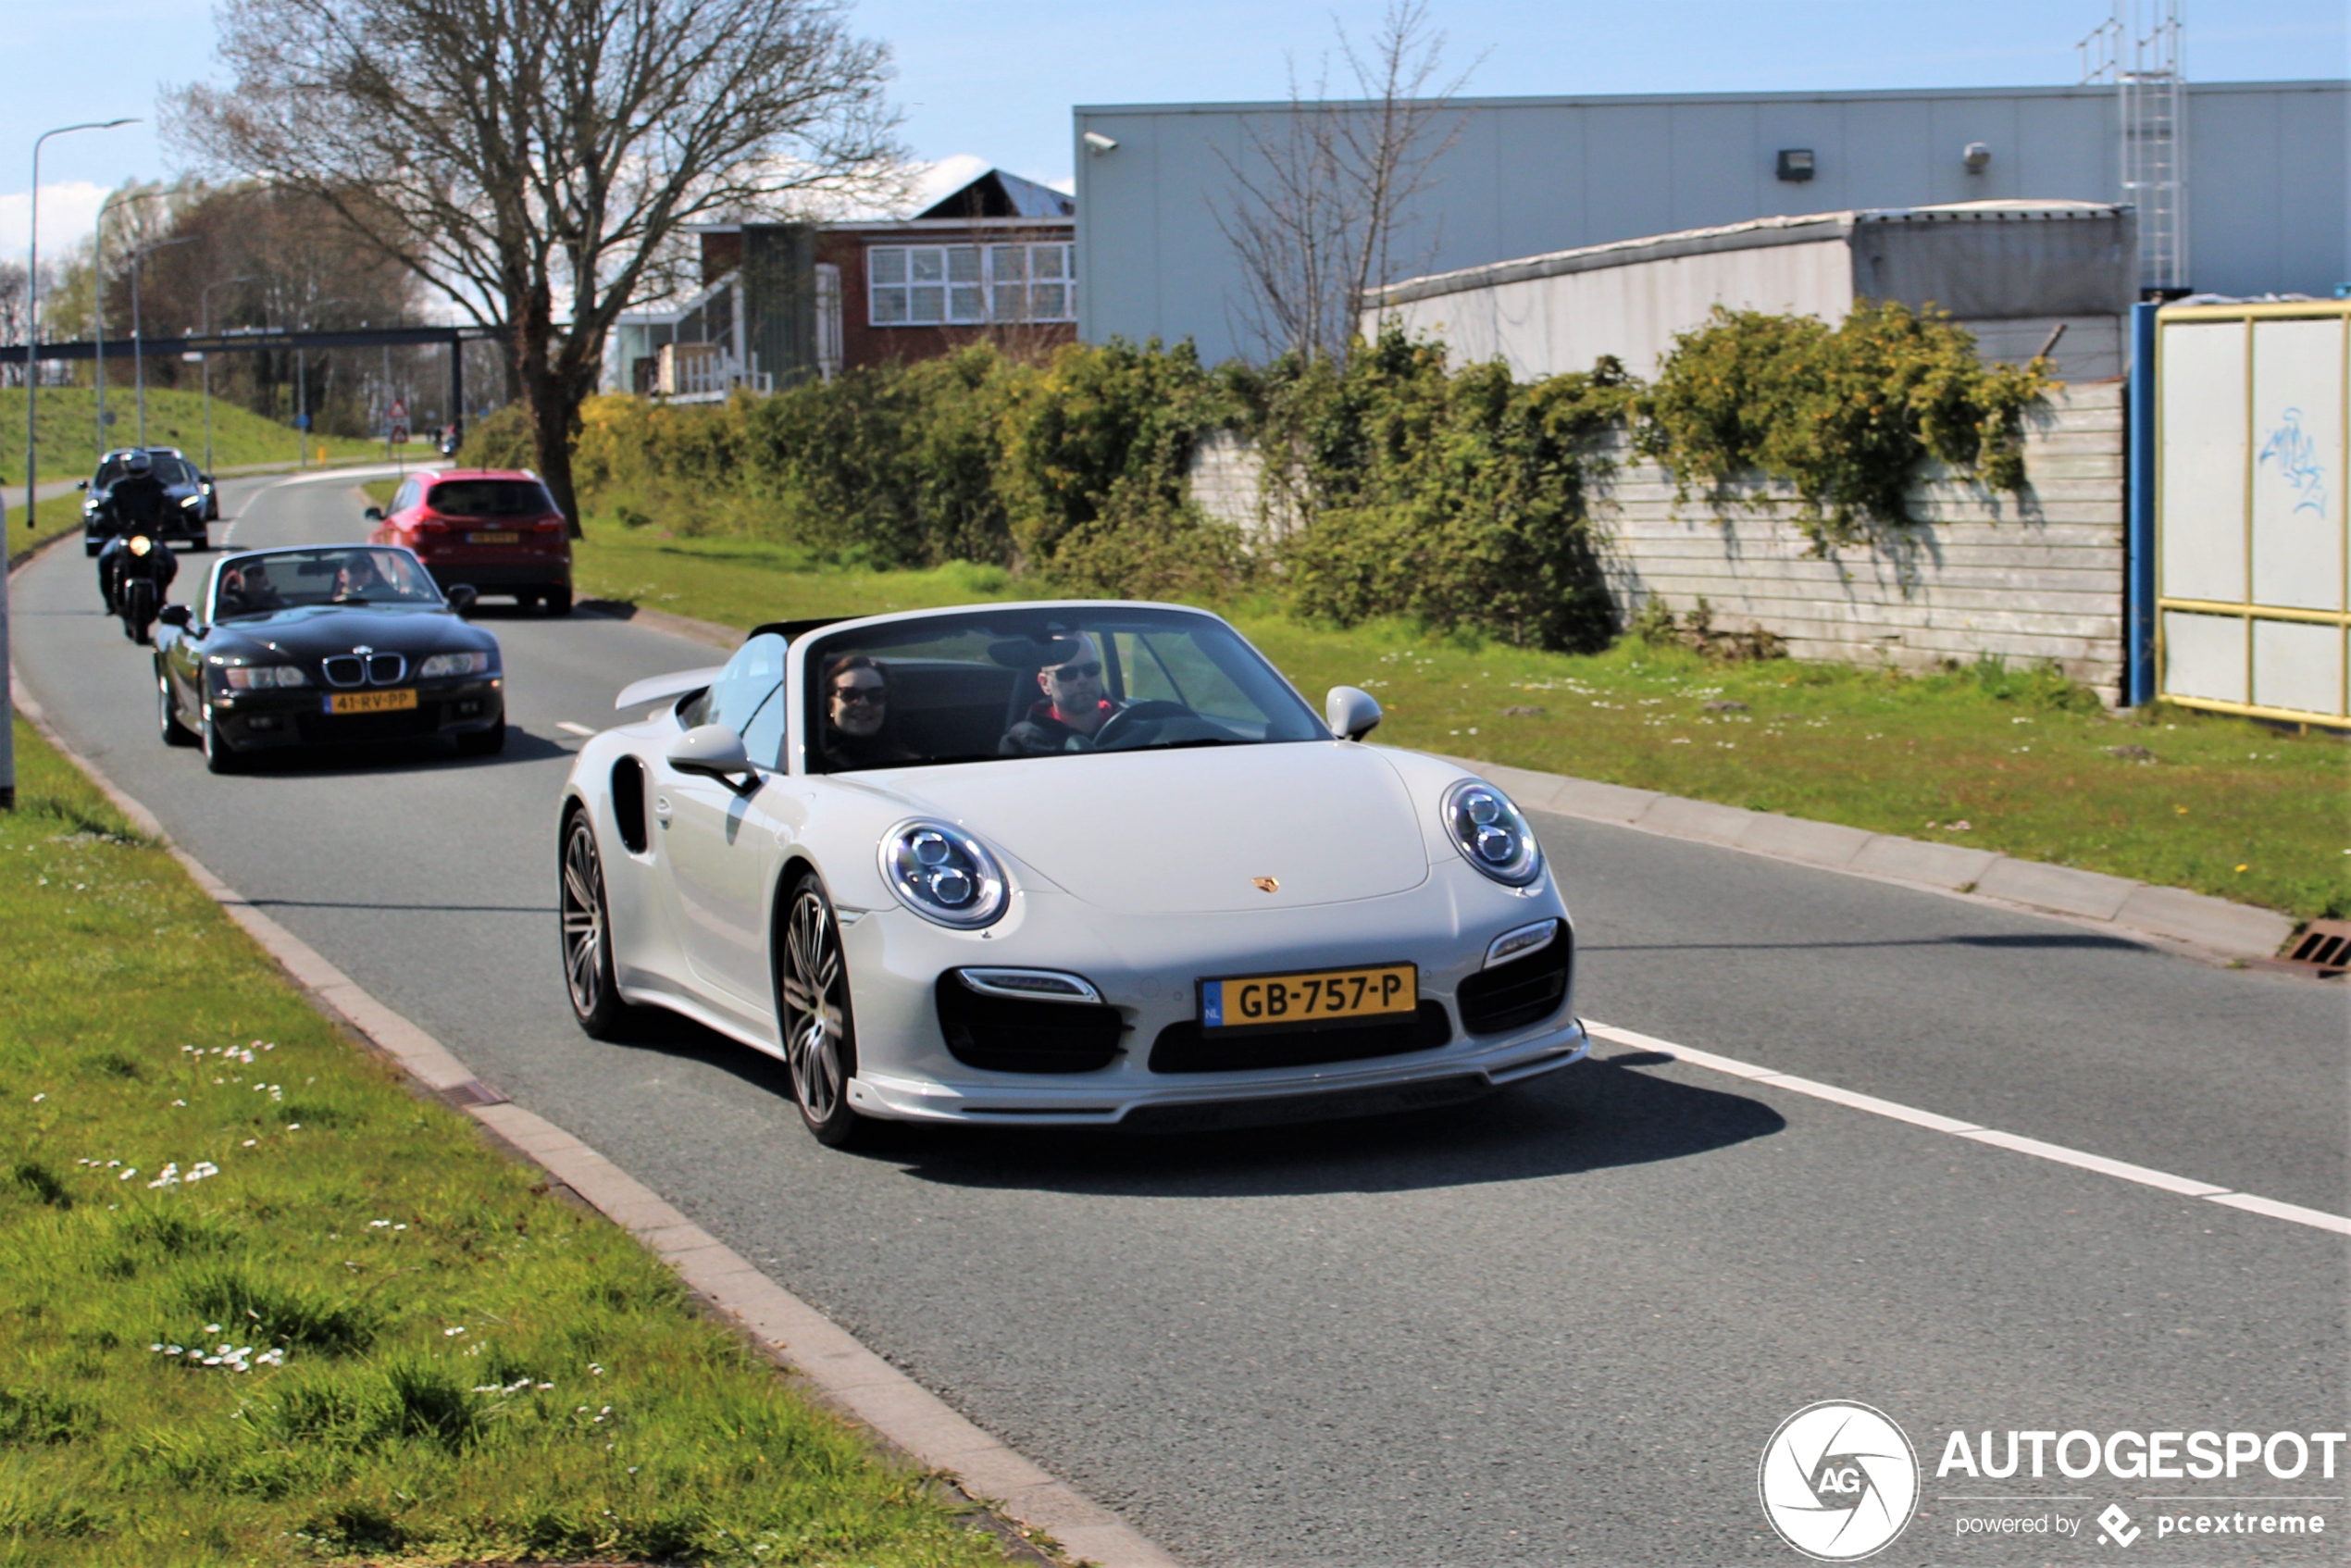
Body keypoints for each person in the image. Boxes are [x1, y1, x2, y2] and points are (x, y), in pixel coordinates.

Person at [1001, 632, 1126, 755]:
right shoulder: (1022, 742)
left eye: (1091, 668)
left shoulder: (1131, 725)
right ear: (1045, 684)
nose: (1082, 679)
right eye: (1067, 673)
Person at [817, 654, 916, 771]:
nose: (863, 703)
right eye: (849, 694)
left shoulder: (910, 764)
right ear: (831, 706)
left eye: (875, 695)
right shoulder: (812, 762)